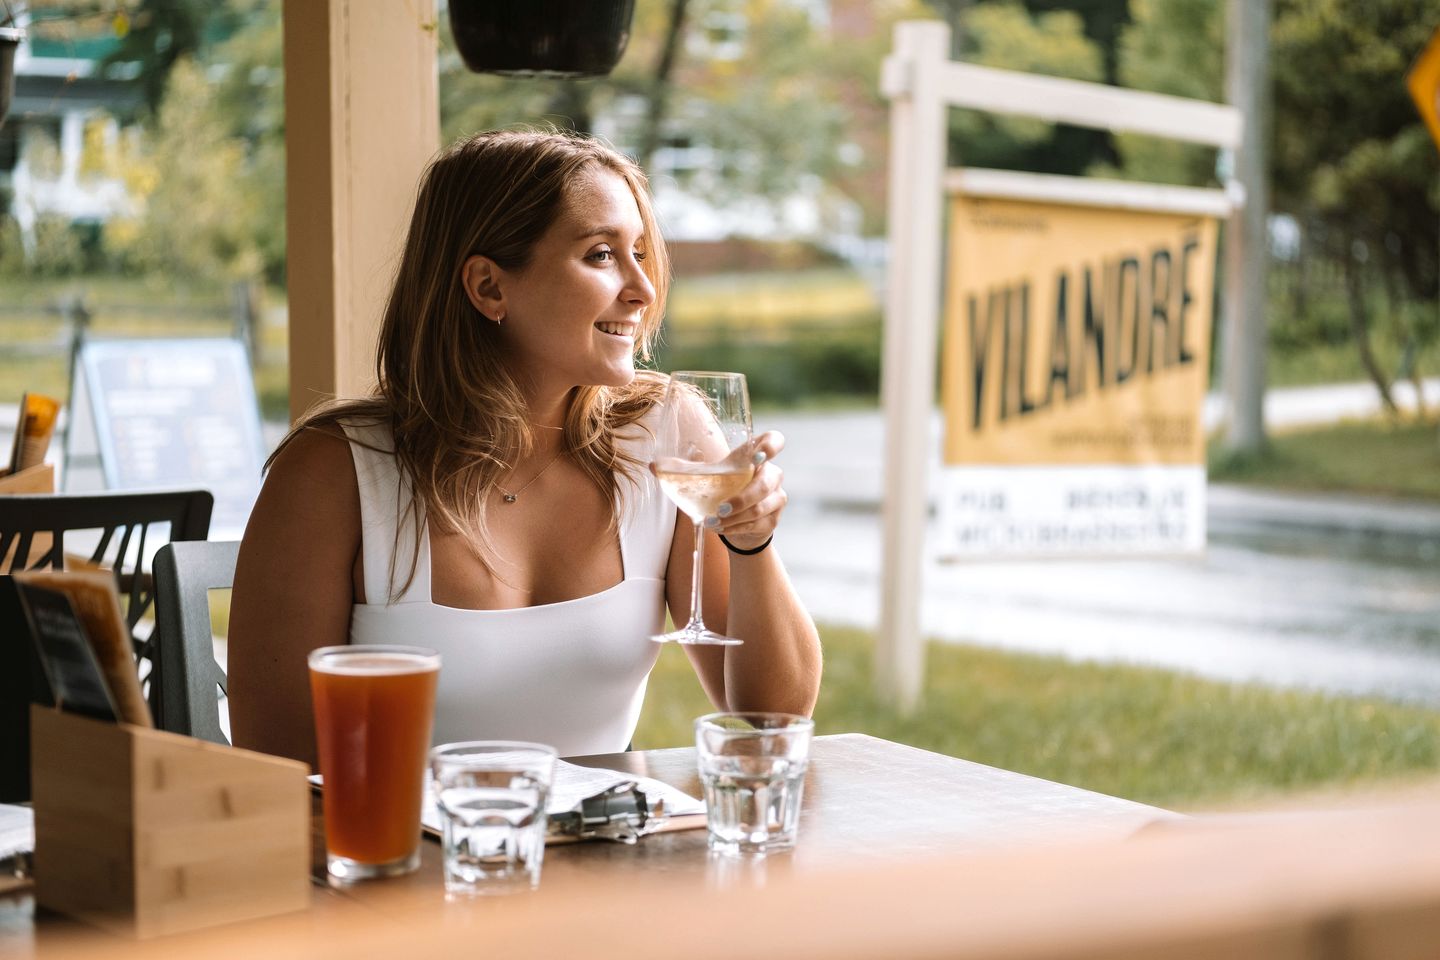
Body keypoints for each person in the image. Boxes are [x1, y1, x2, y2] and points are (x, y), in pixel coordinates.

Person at [228, 129, 822, 765]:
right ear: (488, 287)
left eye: (641, 253)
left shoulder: (665, 432)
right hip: (405, 858)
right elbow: (279, 767)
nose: (644, 290)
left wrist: (751, 542)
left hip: (609, 853)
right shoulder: (334, 471)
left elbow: (773, 717)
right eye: (600, 255)